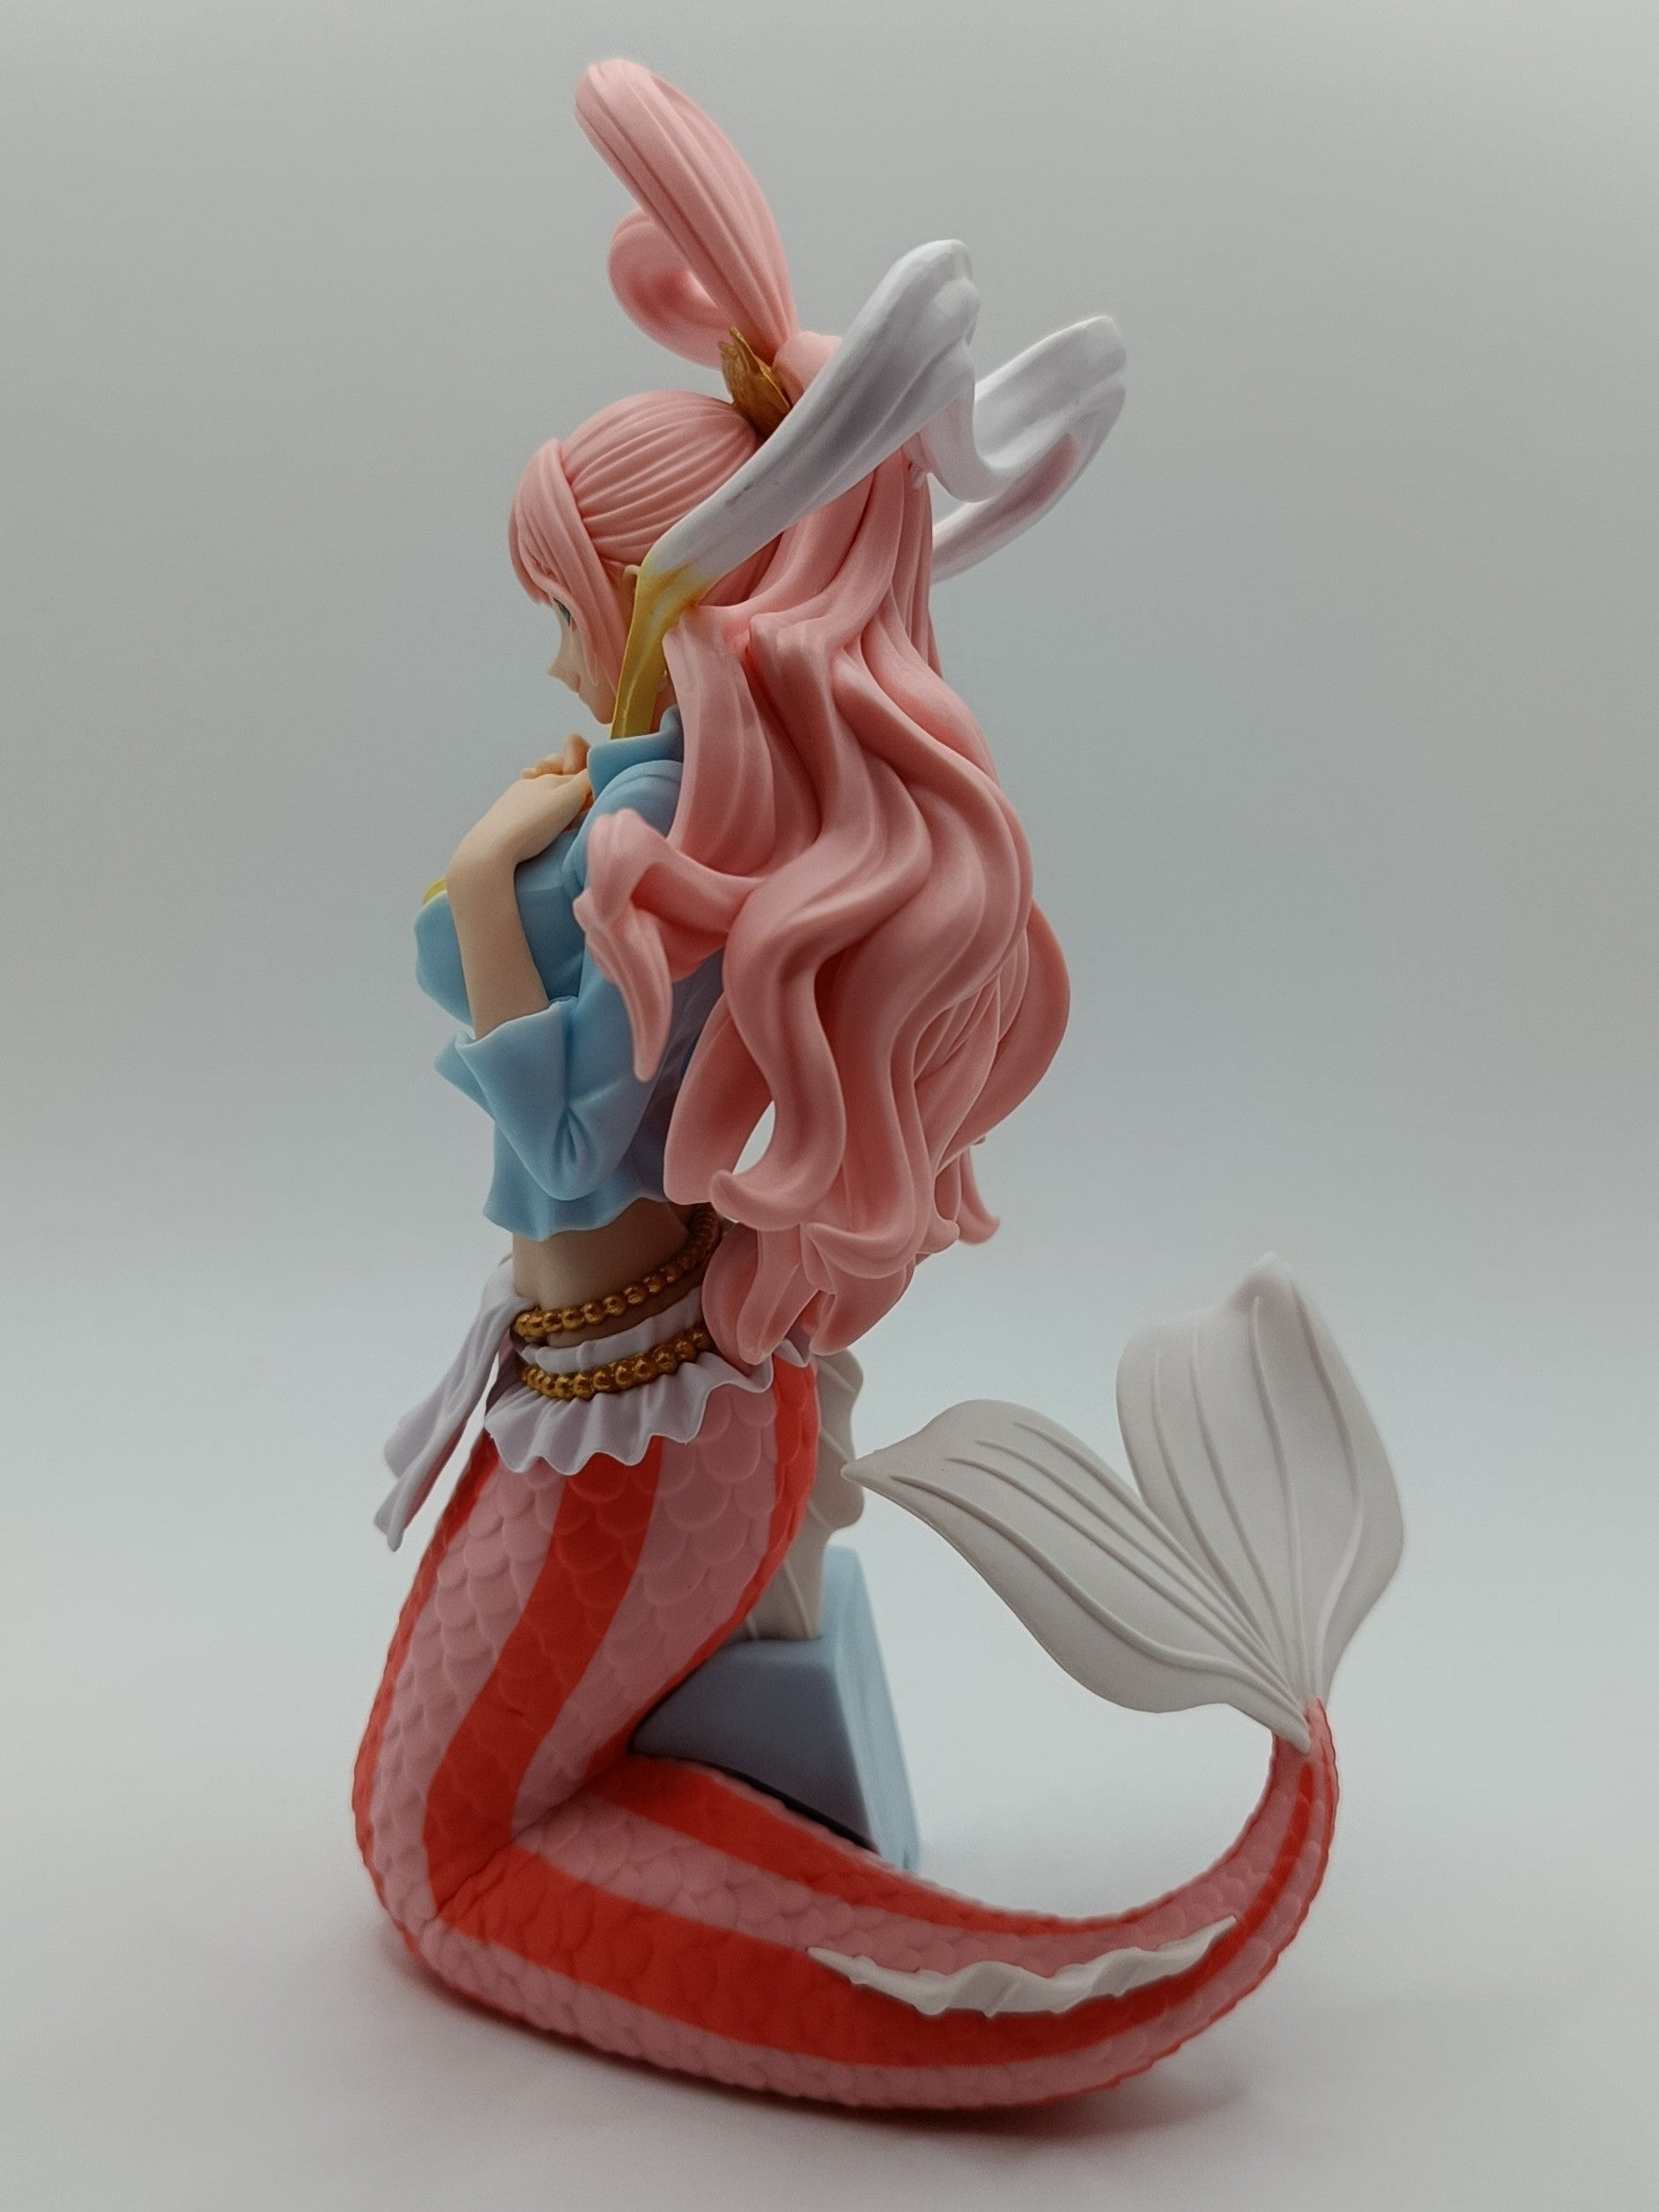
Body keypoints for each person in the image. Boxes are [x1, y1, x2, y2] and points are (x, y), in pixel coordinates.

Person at [352, 59, 1399, 2109]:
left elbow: (560, 1162)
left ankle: (998, 1988)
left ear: (647, 604)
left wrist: (485, 882)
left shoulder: (608, 849)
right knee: (455, 1809)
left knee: (441, 1857)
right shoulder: (735, 812)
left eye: (563, 608)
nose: (552, 656)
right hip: (687, 1414)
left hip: (628, 1439)